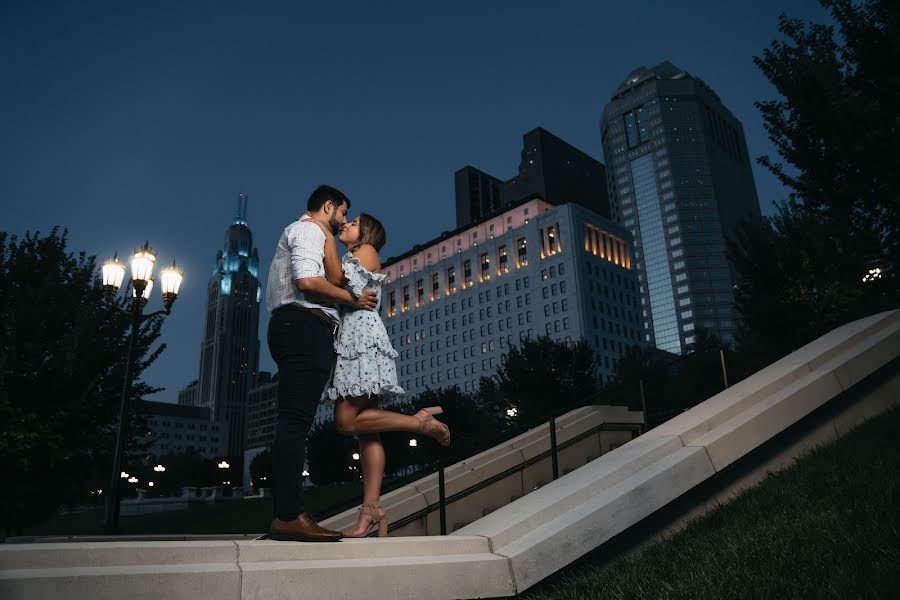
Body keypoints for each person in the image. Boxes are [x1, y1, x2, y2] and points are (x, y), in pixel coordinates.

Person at [310, 212, 450, 538]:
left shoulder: (367, 250)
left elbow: (335, 283)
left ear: (367, 232)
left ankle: (420, 422)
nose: (345, 224)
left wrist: (324, 233)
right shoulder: (356, 254)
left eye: (353, 222)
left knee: (345, 422)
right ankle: (371, 510)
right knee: (367, 430)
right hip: (354, 338)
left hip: (360, 339)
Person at [264, 185, 378, 542]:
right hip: (302, 325)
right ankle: (289, 516)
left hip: (298, 327)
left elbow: (329, 275)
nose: (344, 220)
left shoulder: (316, 233)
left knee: (294, 420)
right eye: (343, 213)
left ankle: (287, 513)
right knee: (295, 422)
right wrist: (352, 299)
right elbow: (308, 281)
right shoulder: (309, 229)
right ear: (328, 207)